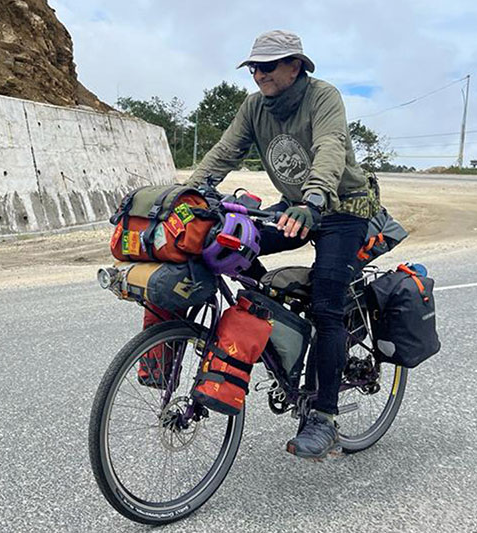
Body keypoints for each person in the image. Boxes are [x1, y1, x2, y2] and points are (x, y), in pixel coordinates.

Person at [185, 30, 378, 459]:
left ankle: (324, 418)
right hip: (294, 206)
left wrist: (314, 200)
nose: (258, 74)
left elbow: (330, 148)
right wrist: (188, 195)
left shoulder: (323, 97)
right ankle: (281, 325)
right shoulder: (255, 107)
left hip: (342, 207)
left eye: (268, 66)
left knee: (328, 303)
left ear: (296, 65)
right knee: (230, 245)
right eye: (253, 67)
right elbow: (224, 152)